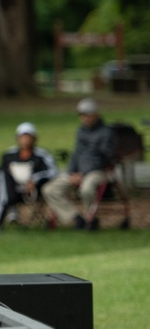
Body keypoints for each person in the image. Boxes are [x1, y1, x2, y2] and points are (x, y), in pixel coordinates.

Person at [41, 98, 117, 230]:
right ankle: (75, 217)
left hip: (97, 171)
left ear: (96, 114)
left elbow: (105, 158)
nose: (84, 118)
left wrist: (84, 173)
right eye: (82, 115)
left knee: (86, 189)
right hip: (78, 172)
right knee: (49, 189)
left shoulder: (106, 133)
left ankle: (91, 218)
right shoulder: (80, 132)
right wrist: (72, 172)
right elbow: (76, 154)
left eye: (87, 114)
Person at [0, 122, 57, 232]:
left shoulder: (41, 155)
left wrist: (34, 180)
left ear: (34, 139)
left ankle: (0, 217)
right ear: (17, 138)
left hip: (32, 192)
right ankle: (3, 215)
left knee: (4, 188)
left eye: (28, 137)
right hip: (11, 189)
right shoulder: (9, 155)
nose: (25, 140)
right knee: (3, 176)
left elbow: (52, 171)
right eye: (22, 137)